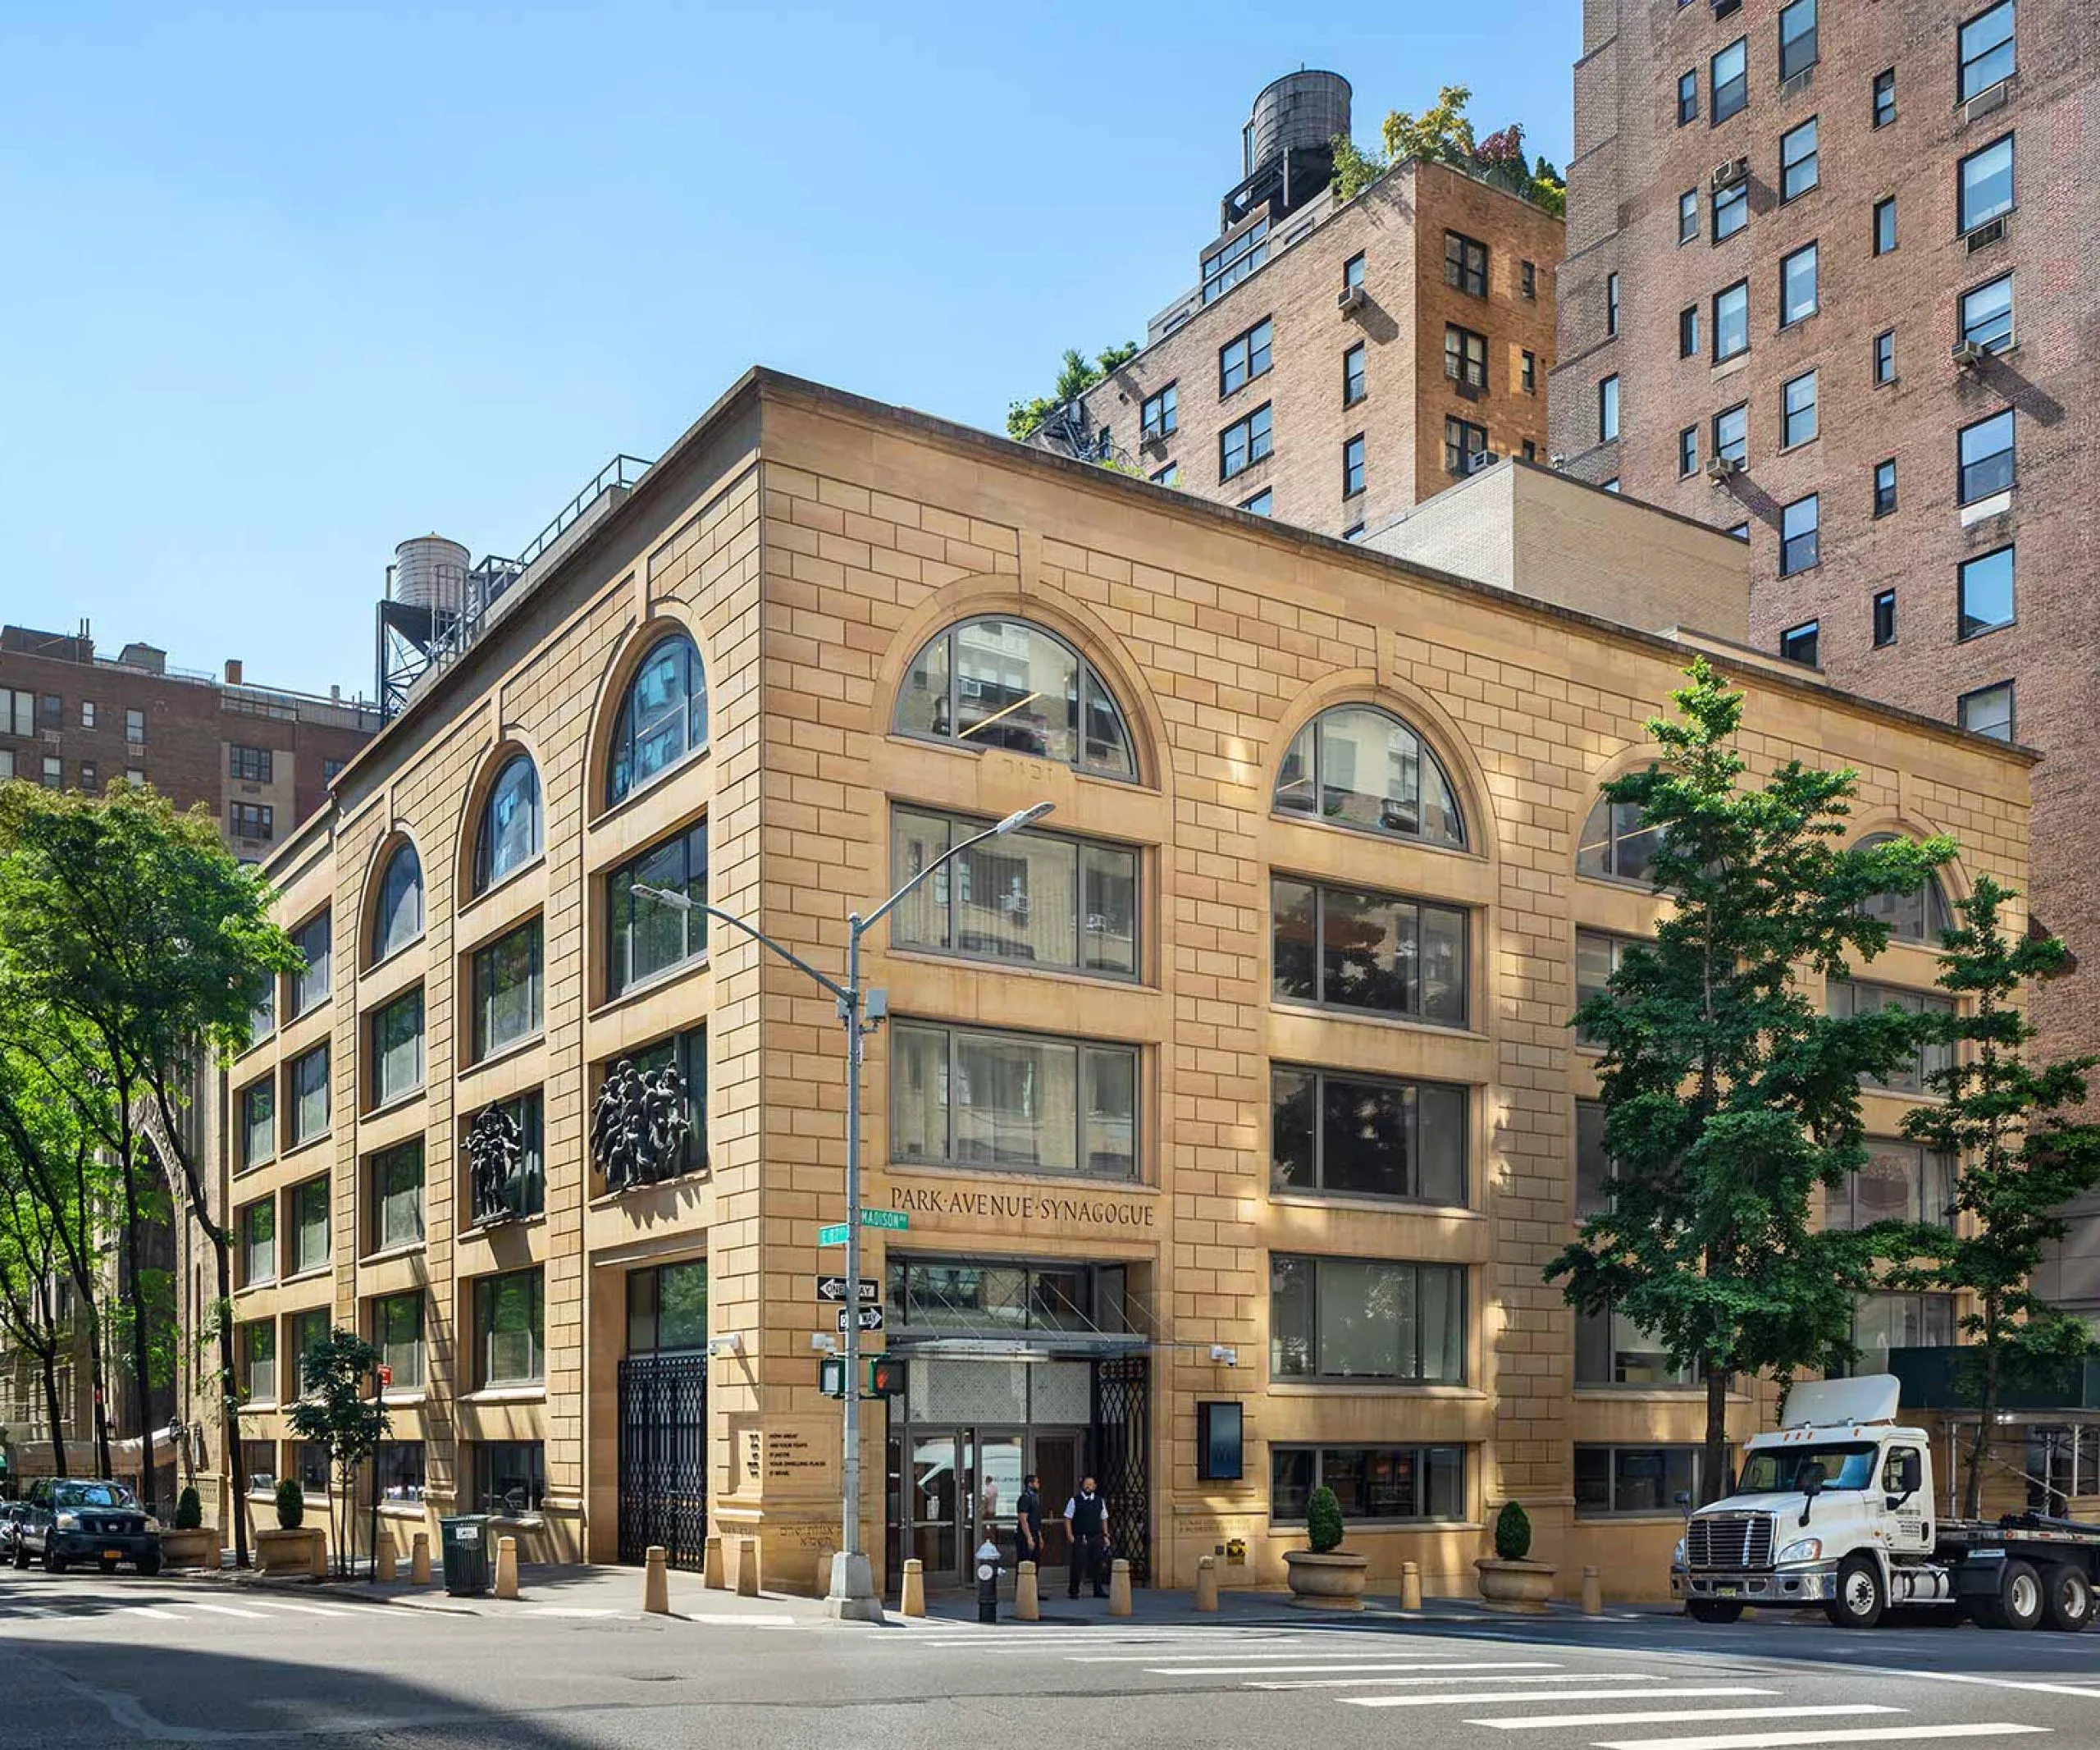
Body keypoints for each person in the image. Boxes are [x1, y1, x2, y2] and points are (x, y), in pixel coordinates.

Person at [1064, 1474, 1110, 1599]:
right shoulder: (1074, 1500)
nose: (1089, 1486)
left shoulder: (1100, 1501)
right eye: (1086, 1484)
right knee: (1078, 1564)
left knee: (1098, 1564)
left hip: (1096, 1536)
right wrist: (1070, 1536)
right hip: (1080, 1536)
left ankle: (1098, 1590)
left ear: (1095, 1486)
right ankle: (1074, 1590)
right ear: (1082, 1486)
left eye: (1091, 1484)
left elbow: (1104, 1518)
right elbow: (1068, 1519)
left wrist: (1105, 1535)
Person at [1015, 1472, 1045, 1570]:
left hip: (1035, 1532)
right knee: (1025, 1563)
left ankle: (1032, 1585)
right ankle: (1023, 1585)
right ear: (1030, 1484)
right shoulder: (1024, 1499)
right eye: (1037, 1483)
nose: (1038, 1485)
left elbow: (1036, 1520)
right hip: (1026, 1535)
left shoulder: (1034, 1499)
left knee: (1035, 1563)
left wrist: (1039, 1537)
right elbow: (1023, 1520)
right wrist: (1029, 1538)